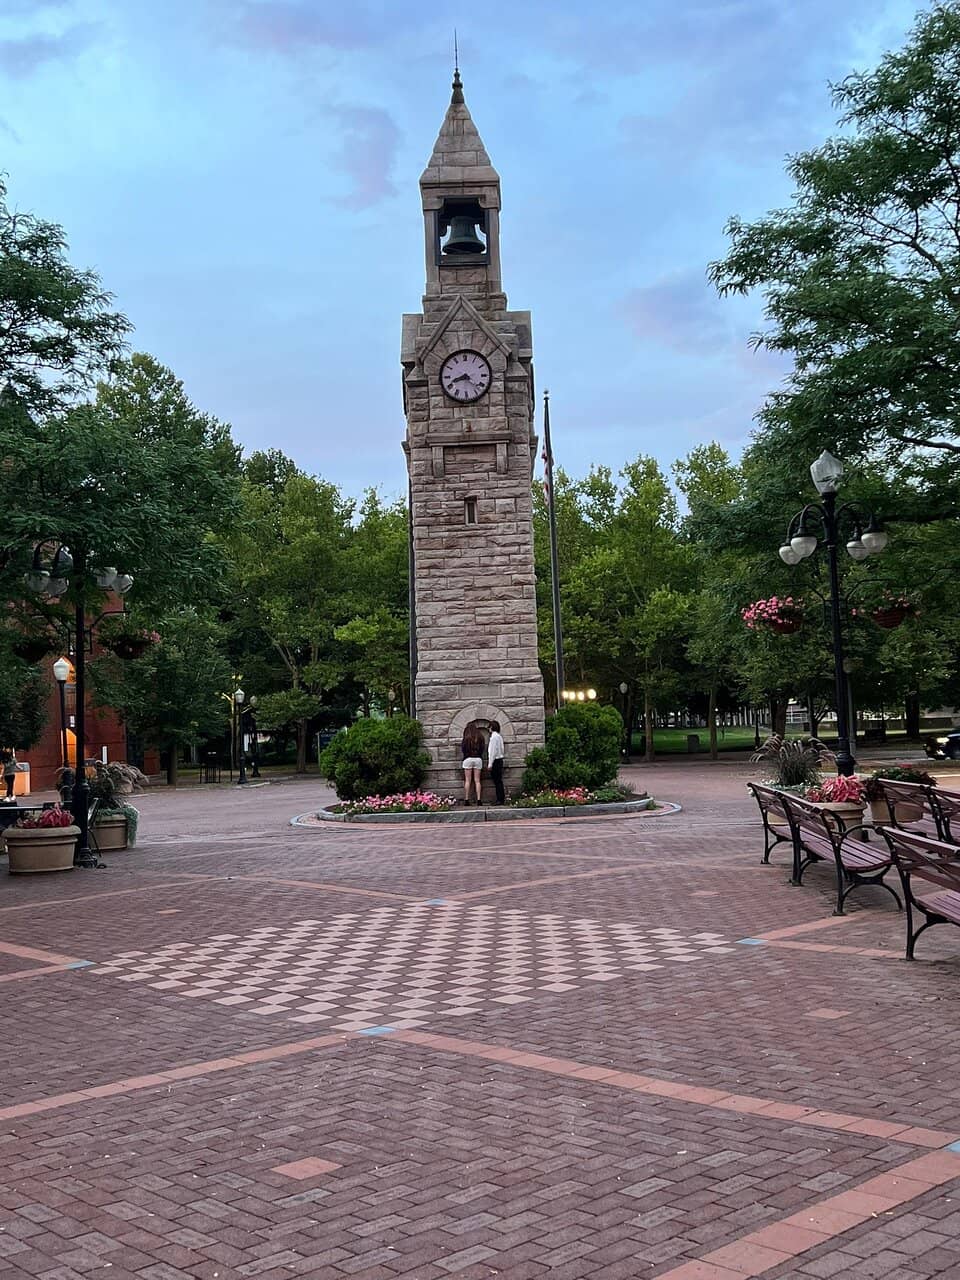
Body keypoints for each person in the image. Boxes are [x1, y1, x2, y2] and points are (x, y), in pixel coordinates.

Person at [460, 726, 484, 806]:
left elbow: (463, 749)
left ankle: (466, 800)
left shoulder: (466, 738)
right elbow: (482, 749)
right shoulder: (480, 737)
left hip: (468, 759)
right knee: (477, 781)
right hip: (478, 759)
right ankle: (479, 800)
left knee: (467, 780)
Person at [487, 720, 505, 804]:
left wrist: (490, 764)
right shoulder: (499, 736)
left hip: (495, 761)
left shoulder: (493, 737)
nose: (488, 729)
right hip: (500, 759)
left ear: (491, 727)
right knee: (499, 781)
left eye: (489, 727)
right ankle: (501, 798)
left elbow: (492, 752)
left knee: (497, 781)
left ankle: (499, 799)